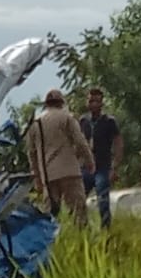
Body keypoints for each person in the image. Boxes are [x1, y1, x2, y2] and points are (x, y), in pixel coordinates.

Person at [27, 89, 96, 226]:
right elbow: (80, 141)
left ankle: (51, 241)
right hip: (69, 172)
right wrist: (90, 161)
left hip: (48, 174)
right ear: (61, 103)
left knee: (49, 216)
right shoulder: (67, 118)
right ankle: (81, 240)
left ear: (46, 104)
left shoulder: (36, 123)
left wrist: (37, 177)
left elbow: (31, 153)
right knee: (79, 212)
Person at [78, 87, 123, 228]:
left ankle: (106, 230)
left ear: (102, 103)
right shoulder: (83, 121)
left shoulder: (109, 121)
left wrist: (114, 167)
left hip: (102, 167)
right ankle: (81, 228)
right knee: (78, 200)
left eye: (97, 101)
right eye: (91, 101)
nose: (94, 104)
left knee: (103, 200)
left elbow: (118, 143)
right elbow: (77, 143)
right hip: (86, 167)